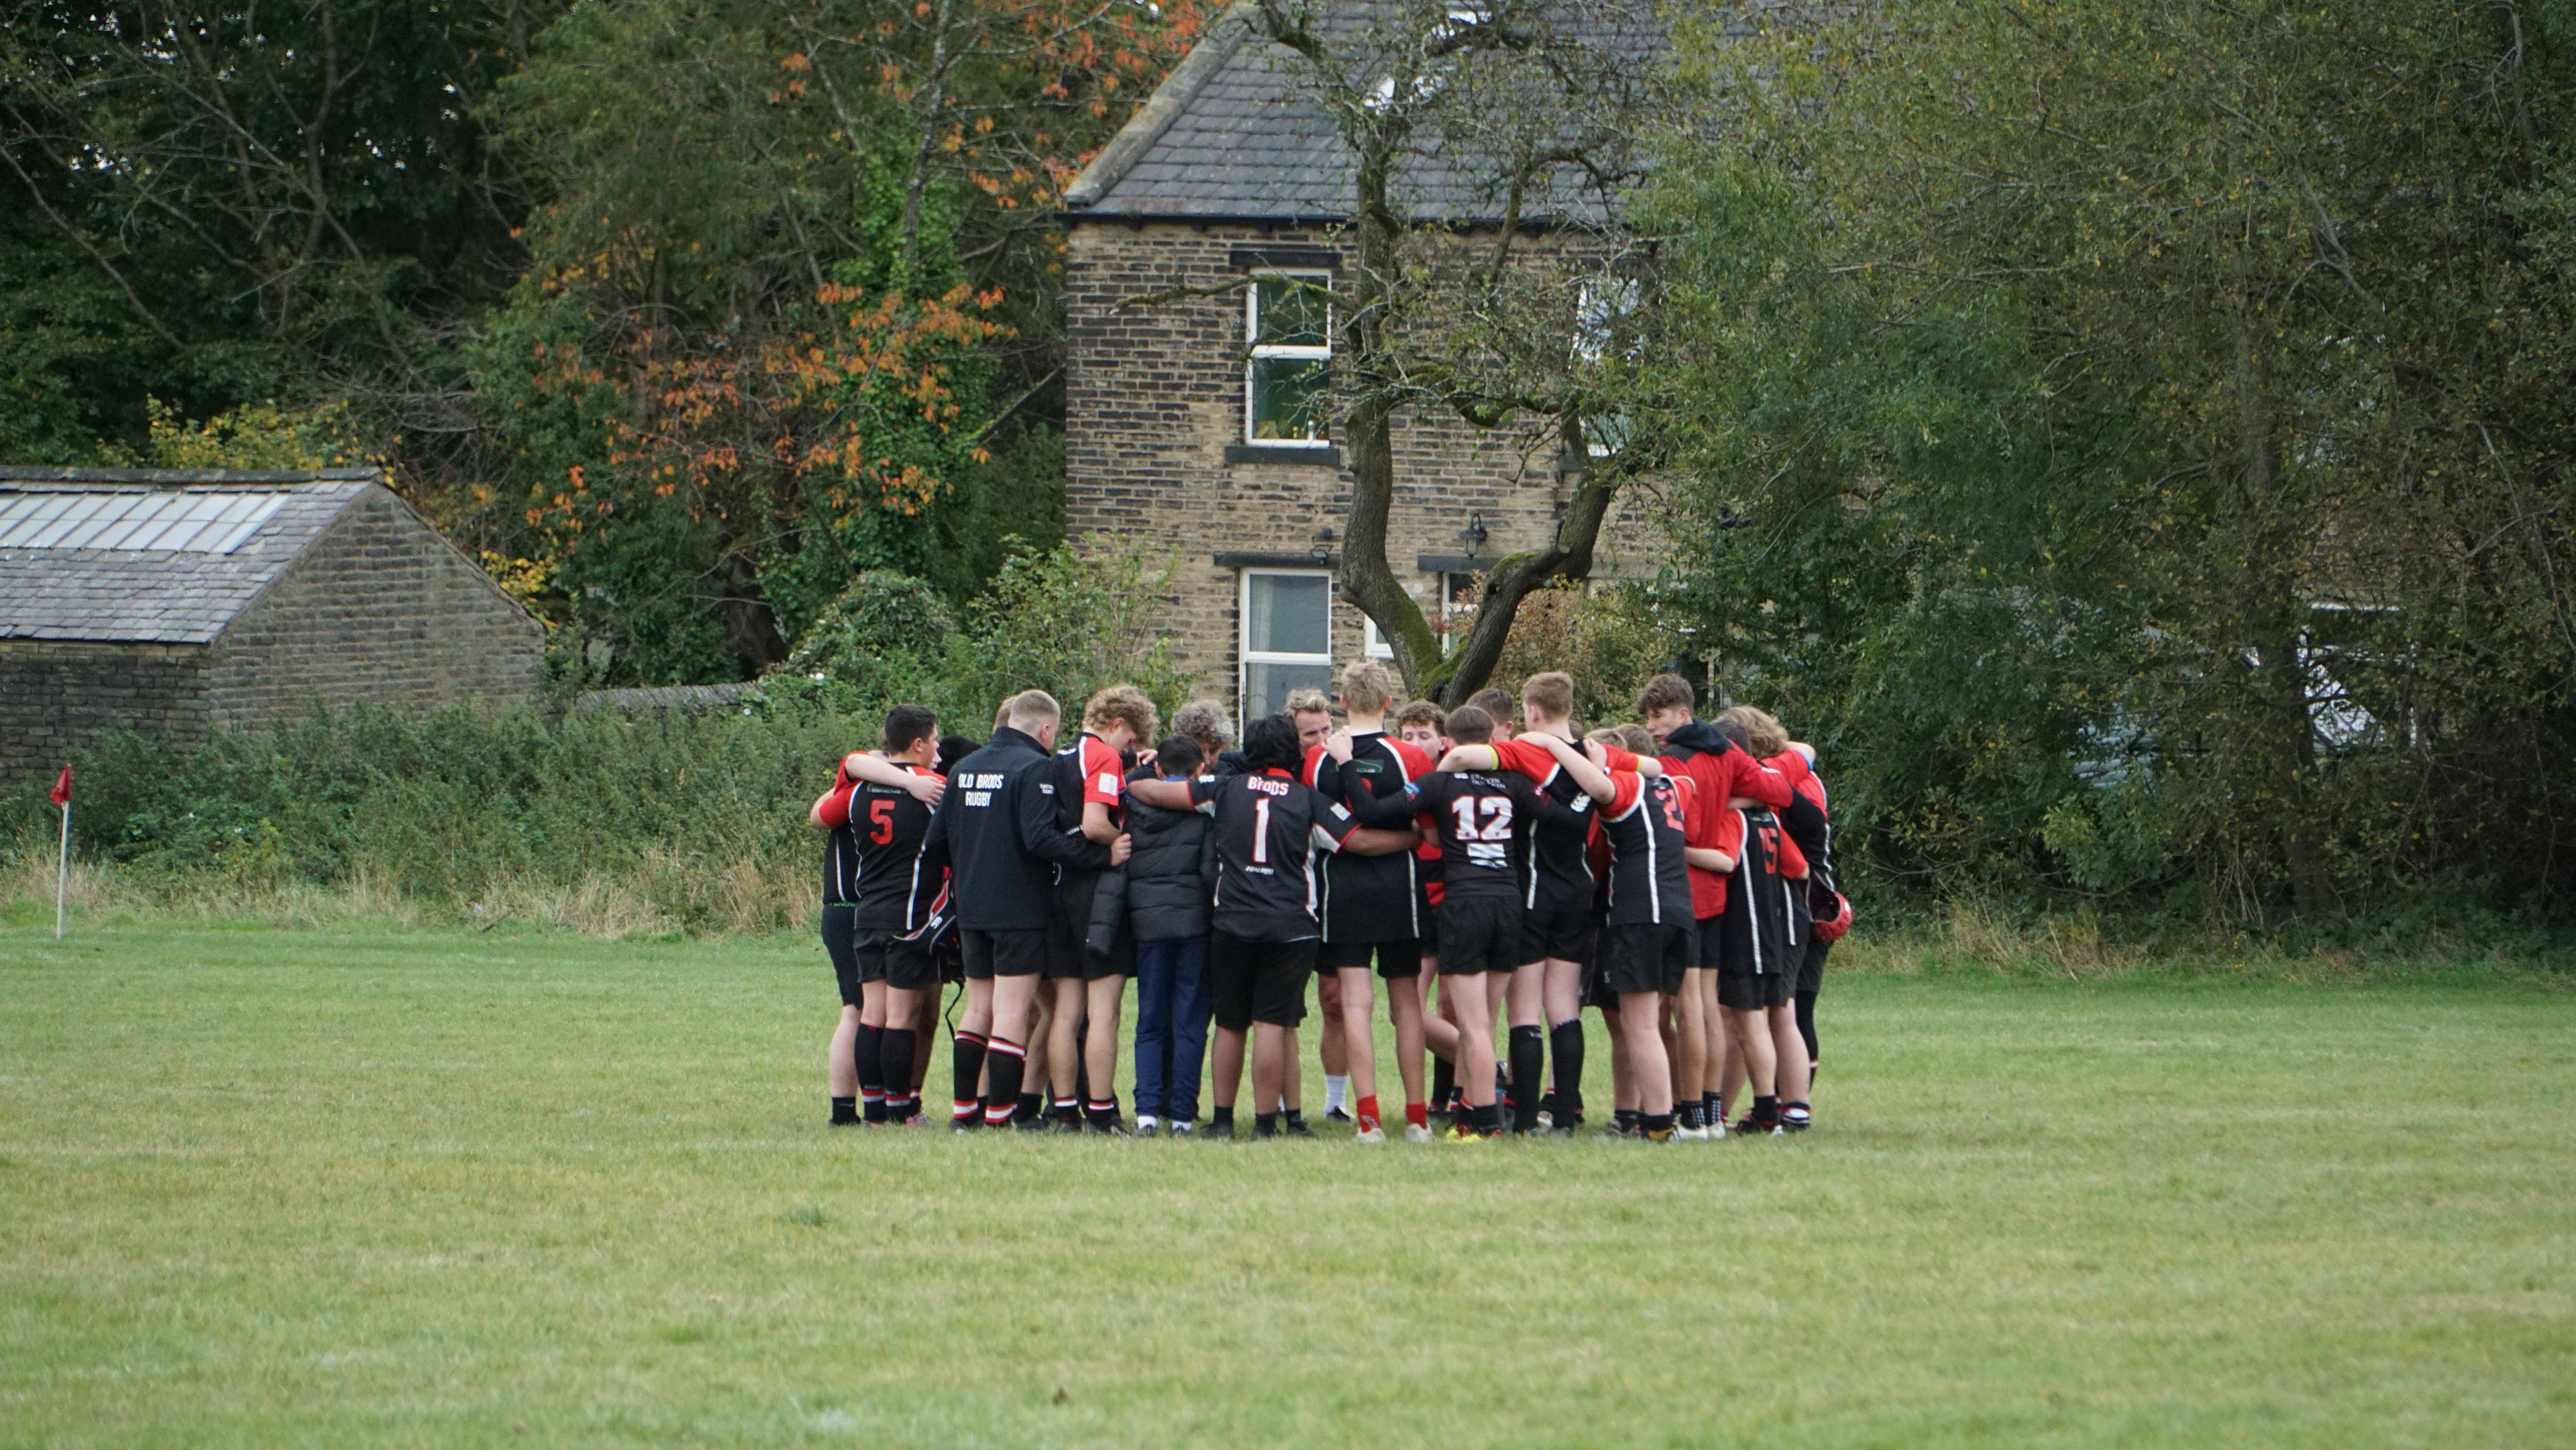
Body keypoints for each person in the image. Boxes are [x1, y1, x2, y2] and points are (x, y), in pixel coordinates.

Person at [1127, 714, 1419, 1139]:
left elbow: (1149, 790)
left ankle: (1223, 1121)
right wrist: (1412, 839)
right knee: (1271, 1023)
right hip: (1290, 925)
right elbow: (1359, 841)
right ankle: (1266, 1124)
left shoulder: (1224, 788)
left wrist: (1138, 773)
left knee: (1230, 1024)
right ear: (1292, 752)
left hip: (1232, 920)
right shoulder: (1309, 800)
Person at [1436, 674, 1666, 1133]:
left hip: (1534, 889)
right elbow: (1656, 768)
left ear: (1532, 711)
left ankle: (1524, 1119)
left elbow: (1462, 756)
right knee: (1563, 1007)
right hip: (1579, 890)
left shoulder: (1525, 750)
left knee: (1525, 1010)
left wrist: (1440, 788)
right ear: (1569, 707)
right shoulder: (1594, 752)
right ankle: (1564, 1117)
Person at [1352, 705, 1575, 1137]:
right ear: (1491, 742)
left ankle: (1484, 1122)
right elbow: (1567, 818)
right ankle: (1472, 1110)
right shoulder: (1515, 782)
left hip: (1465, 903)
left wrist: (1347, 764)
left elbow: (1374, 811)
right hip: (1508, 902)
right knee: (1485, 1020)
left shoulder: (1438, 783)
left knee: (1471, 1026)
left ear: (1448, 742)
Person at [923, 690, 1128, 1131]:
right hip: (1019, 907)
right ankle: (1000, 1115)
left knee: (978, 1008)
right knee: (1013, 1011)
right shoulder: (1034, 767)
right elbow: (1040, 839)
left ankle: (964, 1114)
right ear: (1045, 729)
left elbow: (936, 842)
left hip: (971, 905)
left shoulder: (963, 767)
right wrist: (1100, 856)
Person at [1514, 728, 1693, 1141]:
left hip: (1641, 911)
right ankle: (1648, 1117)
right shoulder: (1676, 786)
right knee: (1648, 1023)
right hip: (1680, 910)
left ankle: (1659, 1125)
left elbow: (1600, 787)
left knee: (1639, 1026)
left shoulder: (1624, 786)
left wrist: (1554, 745)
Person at [1636, 674, 1793, 1138]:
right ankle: (1710, 1114)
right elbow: (1780, 791)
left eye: (1659, 716)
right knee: (1705, 1005)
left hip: (1681, 888)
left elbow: (1671, 824)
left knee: (1688, 1009)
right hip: (1715, 895)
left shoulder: (1672, 761)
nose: (1652, 726)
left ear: (1684, 713)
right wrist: (1727, 798)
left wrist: (1715, 803)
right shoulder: (1727, 753)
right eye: (1647, 718)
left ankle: (1693, 1115)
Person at [1312, 662, 1438, 1142]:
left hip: (1343, 888)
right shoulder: (1411, 756)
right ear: (1389, 703)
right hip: (1399, 888)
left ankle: (1368, 1119)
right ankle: (1416, 1118)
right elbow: (1429, 832)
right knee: (1407, 1004)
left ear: (1343, 702)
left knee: (1355, 1002)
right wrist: (1408, 837)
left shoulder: (1319, 758)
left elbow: (1323, 830)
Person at [1044, 685, 1158, 1133]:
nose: (1129, 748)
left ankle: (1064, 1111)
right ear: (1117, 723)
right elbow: (1095, 823)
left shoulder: (1060, 755)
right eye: (1130, 738)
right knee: (1104, 1012)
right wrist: (1120, 841)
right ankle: (1101, 1111)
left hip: (1059, 889)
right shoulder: (1103, 756)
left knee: (1066, 1012)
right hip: (1096, 896)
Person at [1720, 705, 1833, 1131]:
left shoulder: (1776, 782)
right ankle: (1785, 1106)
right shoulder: (1789, 774)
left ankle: (1786, 1105)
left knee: (1777, 1012)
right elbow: (1805, 753)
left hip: (1790, 906)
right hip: (1797, 908)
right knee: (1782, 1011)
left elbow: (1799, 861)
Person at [1120, 735, 1218, 1137]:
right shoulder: (1203, 815)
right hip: (1194, 924)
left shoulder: (1133, 809)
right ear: (1200, 771)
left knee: (1150, 1019)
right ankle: (1182, 1114)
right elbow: (1210, 871)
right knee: (1189, 1019)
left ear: (1158, 769)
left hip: (1148, 926)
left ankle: (1146, 1111)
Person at [1281, 686, 1356, 1122]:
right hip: (1283, 896)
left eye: (1327, 729)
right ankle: (1278, 1101)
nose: (1322, 740)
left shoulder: (1342, 763)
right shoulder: (1280, 772)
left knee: (1335, 999)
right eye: (1311, 734)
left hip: (1333, 890)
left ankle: (1335, 1101)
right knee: (1283, 1004)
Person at [1393, 699, 1466, 1119]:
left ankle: (1450, 1097)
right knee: (1405, 1012)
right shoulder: (1401, 787)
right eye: (1408, 736)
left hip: (1453, 905)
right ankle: (1488, 1068)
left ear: (1444, 741)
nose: (1416, 743)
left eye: (1424, 735)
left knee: (1452, 1006)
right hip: (1415, 906)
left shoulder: (1452, 783)